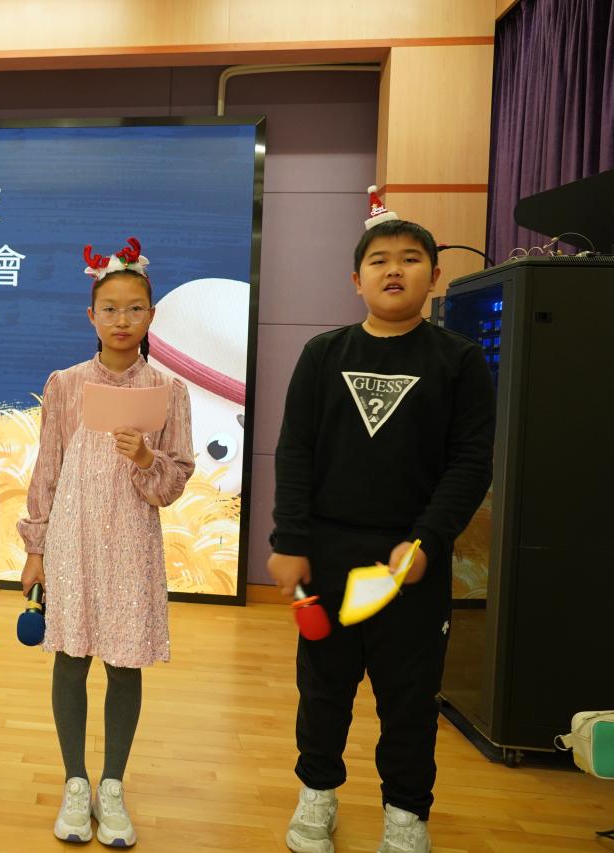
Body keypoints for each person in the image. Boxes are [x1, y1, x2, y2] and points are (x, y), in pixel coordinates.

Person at [268, 212, 494, 853]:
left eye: (410, 259)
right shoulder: (323, 354)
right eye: (379, 260)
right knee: (322, 687)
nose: (394, 270)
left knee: (410, 698)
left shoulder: (459, 360)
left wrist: (427, 539)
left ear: (435, 276)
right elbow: (296, 452)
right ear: (356, 280)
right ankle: (317, 793)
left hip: (412, 562)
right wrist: (290, 541)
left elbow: (470, 462)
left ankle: (406, 812)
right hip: (328, 556)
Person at [19, 238, 195, 847]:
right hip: (71, 542)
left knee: (124, 663)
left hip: (132, 545)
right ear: (91, 316)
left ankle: (112, 785)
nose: (123, 320)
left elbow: (175, 480)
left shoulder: (169, 391)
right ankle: (75, 782)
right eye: (111, 309)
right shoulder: (65, 385)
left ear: (152, 315)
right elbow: (47, 469)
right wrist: (36, 549)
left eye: (135, 308)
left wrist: (146, 458)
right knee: (70, 660)